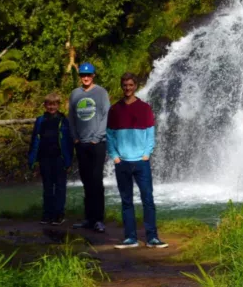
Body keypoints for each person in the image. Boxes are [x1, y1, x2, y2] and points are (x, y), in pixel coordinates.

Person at [107, 72, 167, 249]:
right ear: (122, 86)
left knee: (148, 199)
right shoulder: (115, 109)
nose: (128, 88)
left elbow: (150, 133)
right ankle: (130, 238)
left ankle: (152, 238)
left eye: (131, 85)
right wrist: (115, 157)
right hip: (122, 162)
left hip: (141, 161)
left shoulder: (145, 108)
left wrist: (147, 153)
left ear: (135, 86)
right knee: (126, 202)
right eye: (125, 85)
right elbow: (109, 135)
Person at [68, 62, 110, 232]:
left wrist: (96, 137)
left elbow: (107, 115)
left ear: (93, 76)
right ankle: (89, 218)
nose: (85, 78)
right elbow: (71, 117)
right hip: (81, 143)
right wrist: (75, 138)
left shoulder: (101, 92)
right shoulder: (75, 94)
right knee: (86, 181)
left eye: (89, 75)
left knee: (96, 180)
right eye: (83, 75)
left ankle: (99, 219)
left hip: (97, 143)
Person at [27, 93, 73, 225]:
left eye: (54, 104)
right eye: (49, 104)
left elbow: (69, 142)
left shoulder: (64, 120)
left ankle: (59, 214)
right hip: (44, 158)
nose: (51, 107)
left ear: (58, 105)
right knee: (47, 187)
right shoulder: (40, 120)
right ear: (45, 105)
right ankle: (47, 214)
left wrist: (69, 160)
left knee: (60, 187)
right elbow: (34, 139)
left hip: (60, 158)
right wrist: (32, 159)